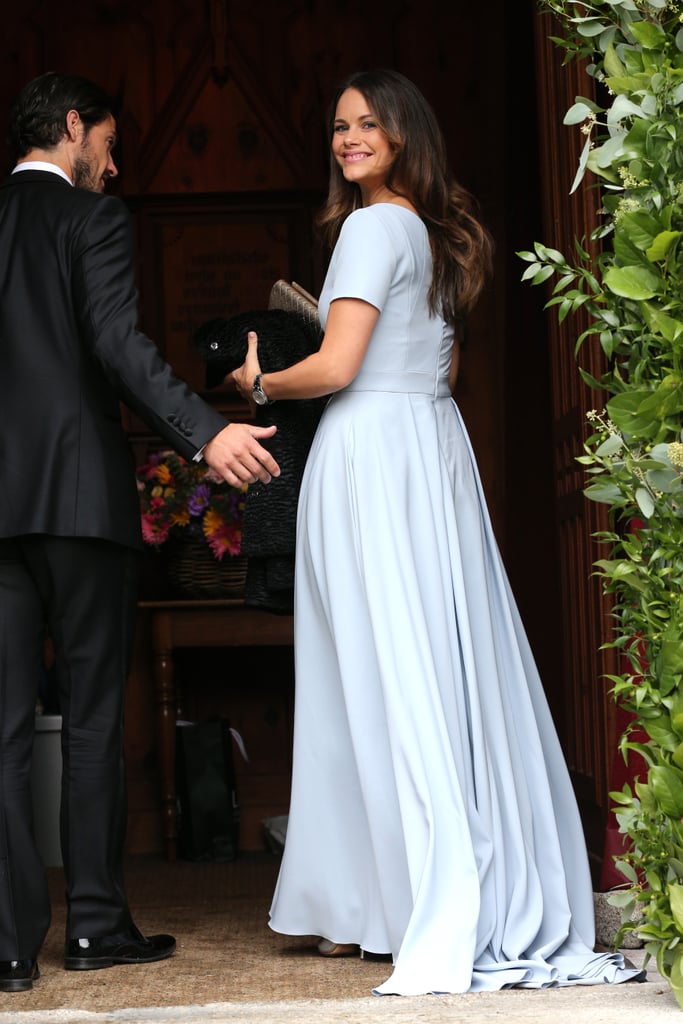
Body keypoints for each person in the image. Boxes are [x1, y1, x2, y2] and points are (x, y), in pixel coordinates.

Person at [232, 68, 645, 995]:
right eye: (338, 126)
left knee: (368, 676)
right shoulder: (432, 233)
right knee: (422, 668)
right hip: (426, 454)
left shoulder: (371, 227)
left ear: (404, 133)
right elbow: (442, 374)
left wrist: (259, 383)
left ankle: (391, 899)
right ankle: (377, 898)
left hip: (370, 462)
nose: (347, 140)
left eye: (367, 124)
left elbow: (336, 365)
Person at [0, 71, 280, 993]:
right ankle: (91, 928)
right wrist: (206, 433)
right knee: (90, 718)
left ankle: (5, 949)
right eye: (108, 146)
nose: (114, 168)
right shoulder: (92, 222)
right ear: (72, 127)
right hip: (79, 501)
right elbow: (118, 346)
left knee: (0, 730)